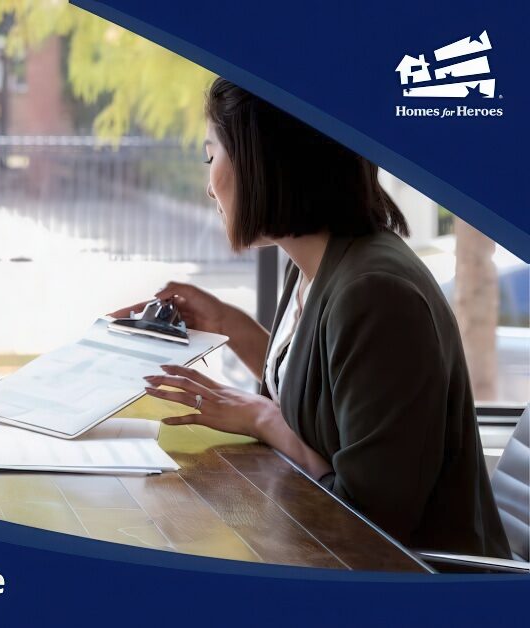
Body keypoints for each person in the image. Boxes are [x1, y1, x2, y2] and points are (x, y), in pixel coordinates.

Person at [112, 78, 510, 557]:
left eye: (210, 155)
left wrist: (263, 419)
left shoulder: (376, 294)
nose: (208, 186)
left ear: (264, 160)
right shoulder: (315, 264)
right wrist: (227, 325)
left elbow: (370, 528)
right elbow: (316, 399)